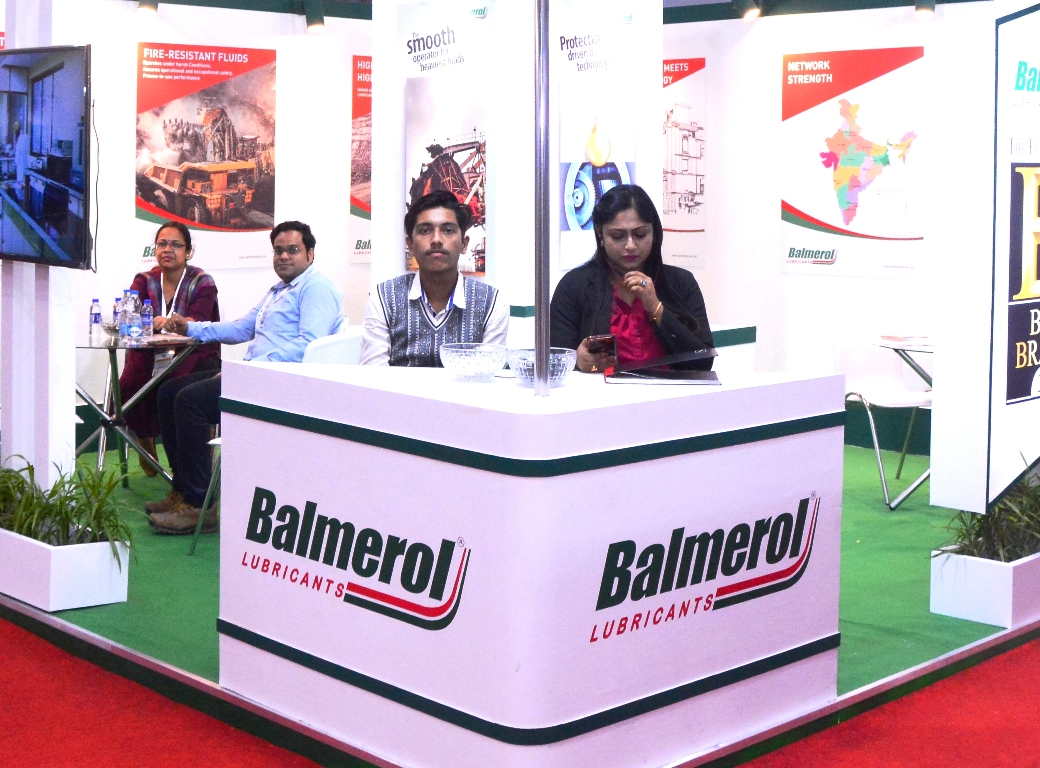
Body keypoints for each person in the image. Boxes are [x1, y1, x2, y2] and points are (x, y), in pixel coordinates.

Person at [146, 221, 344, 535]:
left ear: (310, 254)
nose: (284, 256)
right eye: (278, 250)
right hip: (258, 375)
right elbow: (241, 328)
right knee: (168, 391)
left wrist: (246, 370)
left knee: (189, 401)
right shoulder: (278, 291)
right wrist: (190, 327)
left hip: (282, 383)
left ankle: (199, 505)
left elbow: (308, 344)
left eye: (293, 250)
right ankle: (182, 490)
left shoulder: (316, 288)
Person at [550, 184, 713, 373]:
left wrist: (656, 308)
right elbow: (554, 361)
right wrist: (578, 361)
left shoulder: (681, 282)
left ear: (654, 233)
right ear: (600, 235)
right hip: (603, 391)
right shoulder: (574, 286)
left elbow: (703, 362)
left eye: (640, 235)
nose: (630, 246)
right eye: (617, 236)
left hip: (670, 390)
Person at [360, 190, 508, 366]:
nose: (436, 239)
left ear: (464, 244)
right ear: (410, 245)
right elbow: (373, 376)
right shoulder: (383, 298)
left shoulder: (491, 302)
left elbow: (489, 374)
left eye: (448, 230)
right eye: (425, 230)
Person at [119, 221, 220, 477]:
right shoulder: (144, 280)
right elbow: (132, 316)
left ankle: (191, 458)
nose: (168, 249)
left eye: (176, 245)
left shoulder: (203, 282)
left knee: (176, 383)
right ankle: (144, 437)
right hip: (152, 351)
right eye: (162, 243)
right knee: (131, 379)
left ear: (188, 252)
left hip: (194, 351)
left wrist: (174, 323)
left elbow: (198, 320)